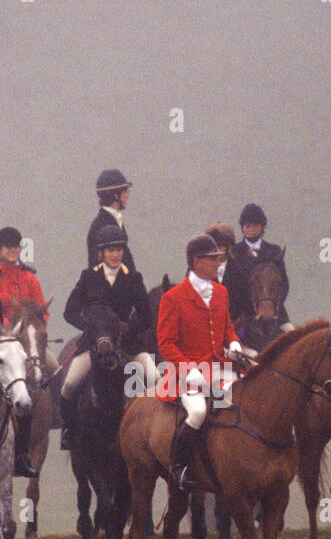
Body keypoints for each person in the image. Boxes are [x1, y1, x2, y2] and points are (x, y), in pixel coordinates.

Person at [156, 234, 244, 491]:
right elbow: (166, 343)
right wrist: (188, 369)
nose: (218, 264)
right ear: (197, 262)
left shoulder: (221, 292)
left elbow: (227, 329)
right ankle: (180, 467)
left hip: (219, 368)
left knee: (245, 399)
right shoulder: (173, 297)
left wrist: (234, 344)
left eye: (219, 259)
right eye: (213, 259)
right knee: (197, 412)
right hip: (187, 372)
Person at [60, 224, 155, 450]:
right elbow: (69, 311)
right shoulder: (88, 277)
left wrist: (128, 328)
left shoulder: (133, 278)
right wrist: (90, 326)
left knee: (157, 379)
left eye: (119, 250)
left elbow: (146, 317)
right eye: (110, 250)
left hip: (127, 345)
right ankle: (69, 431)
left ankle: (154, 431)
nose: (115, 255)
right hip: (94, 344)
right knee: (70, 384)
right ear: (101, 253)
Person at [0, 226, 55, 478]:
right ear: (0, 250)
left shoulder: (30, 278)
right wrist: (11, 328)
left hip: (29, 339)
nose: (12, 251)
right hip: (4, 339)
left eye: (16, 247)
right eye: (8, 247)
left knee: (52, 364)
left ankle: (57, 418)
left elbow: (43, 310)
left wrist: (36, 327)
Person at [225, 203, 290, 328]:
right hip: (241, 314)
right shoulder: (235, 252)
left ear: (262, 227)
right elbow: (229, 285)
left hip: (274, 312)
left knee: (291, 335)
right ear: (243, 228)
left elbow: (284, 285)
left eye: (255, 225)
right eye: (247, 225)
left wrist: (273, 305)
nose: (251, 229)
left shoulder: (274, 251)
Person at [87, 168, 135, 272]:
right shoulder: (103, 225)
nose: (127, 195)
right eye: (125, 191)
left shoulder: (112, 220)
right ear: (116, 195)